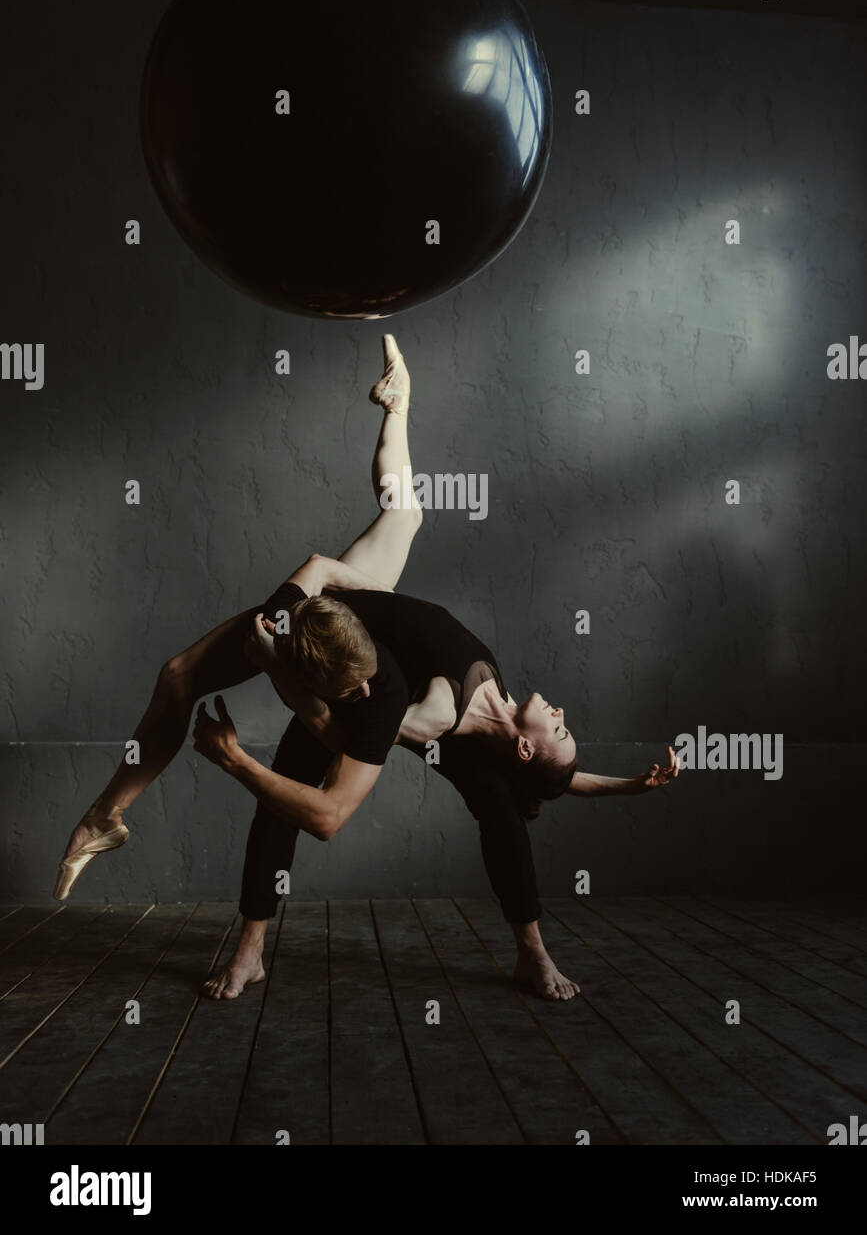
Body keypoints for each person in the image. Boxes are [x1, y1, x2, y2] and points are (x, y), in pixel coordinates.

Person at [55, 336, 677, 1002]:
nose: (561, 714)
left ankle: (109, 820)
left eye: (559, 728)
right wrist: (626, 787)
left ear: (524, 744)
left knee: (197, 693)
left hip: (339, 647)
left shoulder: (423, 712)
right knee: (405, 512)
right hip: (355, 604)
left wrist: (277, 663)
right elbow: (555, 776)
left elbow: (339, 738)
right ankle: (396, 402)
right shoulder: (499, 705)